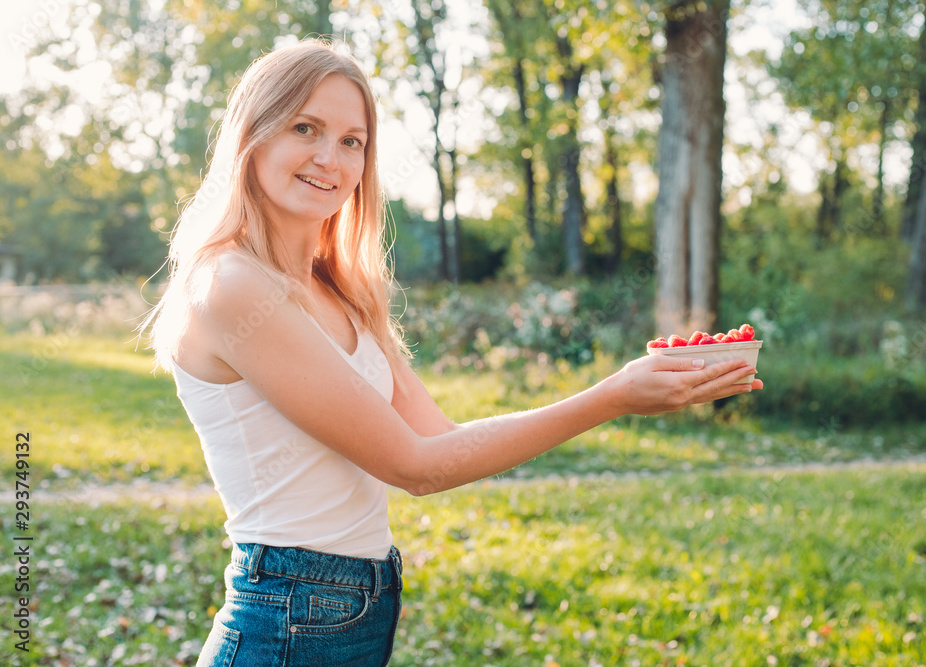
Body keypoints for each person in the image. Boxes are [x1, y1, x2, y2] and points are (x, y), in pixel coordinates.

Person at [142, 38, 762, 667]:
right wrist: (614, 397)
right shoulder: (231, 285)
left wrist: (643, 381)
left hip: (349, 611)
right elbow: (416, 467)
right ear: (256, 134)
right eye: (306, 128)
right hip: (287, 618)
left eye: (352, 141)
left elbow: (443, 441)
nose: (329, 158)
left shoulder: (341, 290)